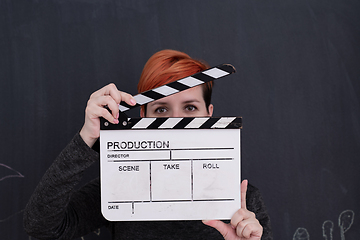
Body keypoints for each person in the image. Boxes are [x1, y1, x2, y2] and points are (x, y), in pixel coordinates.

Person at [23, 49, 272, 239]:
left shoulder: (242, 202)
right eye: (161, 109)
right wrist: (87, 137)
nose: (176, 120)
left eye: (190, 108)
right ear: (143, 116)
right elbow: (41, 227)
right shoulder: (120, 186)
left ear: (209, 115)